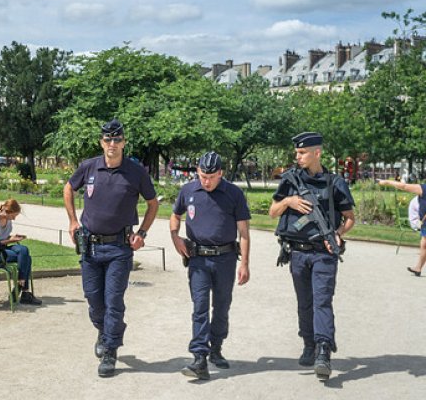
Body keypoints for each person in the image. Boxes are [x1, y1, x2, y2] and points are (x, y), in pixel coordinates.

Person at [63, 119, 158, 378]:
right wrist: (73, 221)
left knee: (113, 301)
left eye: (117, 140)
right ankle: (105, 331)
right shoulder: (89, 167)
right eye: (108, 140)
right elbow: (69, 188)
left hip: (119, 247)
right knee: (94, 300)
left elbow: (152, 204)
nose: (112, 145)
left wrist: (142, 233)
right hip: (90, 248)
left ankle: (110, 351)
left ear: (124, 142)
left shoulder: (136, 172)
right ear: (101, 142)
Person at [268, 132, 355, 381]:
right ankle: (309, 344)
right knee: (304, 303)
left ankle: (324, 351)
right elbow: (273, 212)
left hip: (323, 254)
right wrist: (289, 201)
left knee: (322, 302)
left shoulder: (335, 183)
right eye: (297, 152)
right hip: (297, 253)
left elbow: (350, 218)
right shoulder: (290, 180)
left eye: (302, 152)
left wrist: (338, 234)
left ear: (317, 153)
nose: (298, 156)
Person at [170, 152, 251, 380]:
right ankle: (199, 357)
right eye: (203, 176)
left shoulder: (234, 193)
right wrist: (175, 236)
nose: (206, 181)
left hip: (225, 258)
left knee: (222, 307)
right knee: (200, 306)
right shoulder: (188, 191)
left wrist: (244, 263)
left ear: (220, 174)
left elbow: (244, 233)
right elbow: (175, 216)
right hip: (198, 259)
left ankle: (216, 347)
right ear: (197, 172)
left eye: (212, 177)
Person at [0, 199, 41, 305]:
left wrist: (13, 237)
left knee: (24, 250)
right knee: (27, 258)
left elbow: (2, 237)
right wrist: (10, 240)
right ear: (8, 212)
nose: (14, 218)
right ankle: (24, 290)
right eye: (14, 215)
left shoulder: (8, 220)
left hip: (3, 247)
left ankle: (20, 283)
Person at [378, 179, 426, 276]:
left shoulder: (423, 188)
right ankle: (418, 268)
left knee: (424, 245)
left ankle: (418, 268)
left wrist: (387, 182)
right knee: (424, 245)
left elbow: (404, 186)